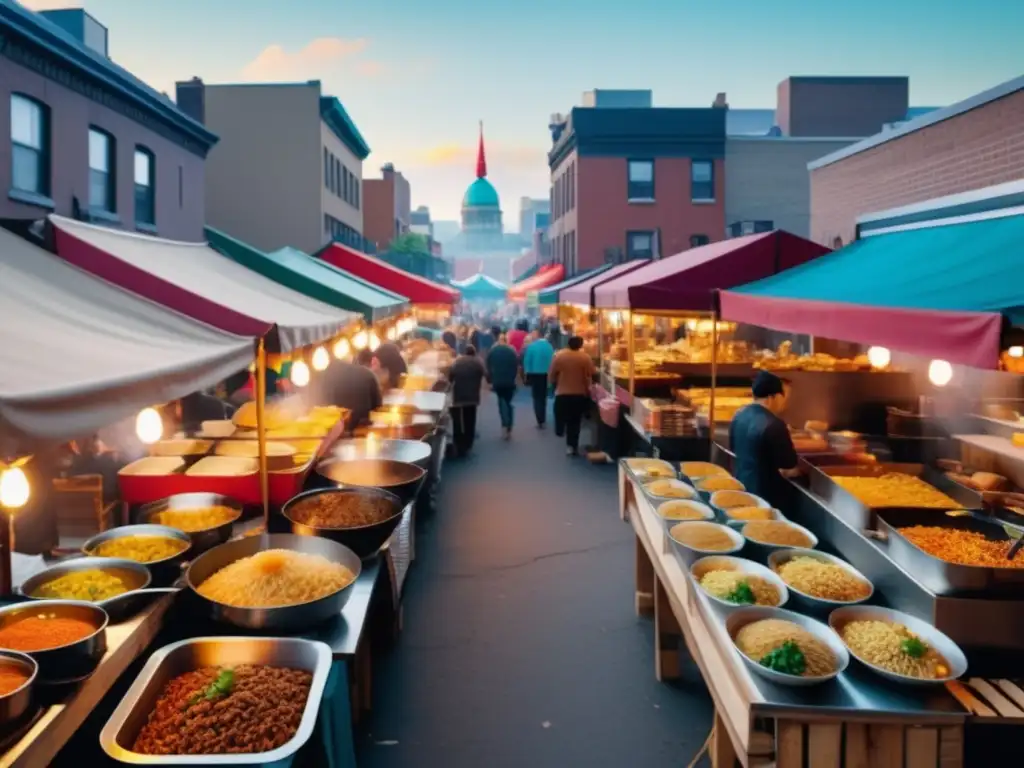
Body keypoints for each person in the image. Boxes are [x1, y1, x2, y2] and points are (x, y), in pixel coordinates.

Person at [728, 371, 801, 506]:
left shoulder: (739, 415)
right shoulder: (774, 424)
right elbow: (788, 468)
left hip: (741, 489)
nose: (784, 403)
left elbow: (733, 448)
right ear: (772, 397)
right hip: (765, 499)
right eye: (782, 396)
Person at [549, 335, 596, 456]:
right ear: (580, 345)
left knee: (559, 414)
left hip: (562, 393)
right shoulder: (585, 357)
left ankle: (560, 429)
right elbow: (592, 372)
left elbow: (551, 375)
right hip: (579, 393)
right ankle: (572, 446)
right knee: (575, 422)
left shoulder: (559, 356)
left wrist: (555, 382)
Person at [318, 348, 382, 428]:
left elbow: (321, 404)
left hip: (334, 430)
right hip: (362, 429)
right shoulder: (367, 374)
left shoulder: (325, 377)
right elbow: (378, 405)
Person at [449, 345, 486, 456]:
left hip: (458, 394)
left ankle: (459, 441)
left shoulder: (457, 362)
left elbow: (450, 377)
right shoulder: (478, 362)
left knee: (458, 419)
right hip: (472, 396)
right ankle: (468, 443)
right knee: (470, 418)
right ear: (474, 353)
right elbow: (486, 374)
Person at [486, 330, 519, 439]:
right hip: (509, 382)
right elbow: (516, 367)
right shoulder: (512, 352)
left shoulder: (493, 351)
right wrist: (514, 379)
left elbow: (488, 367)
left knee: (501, 402)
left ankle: (505, 423)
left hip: (498, 381)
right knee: (509, 402)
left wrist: (490, 381)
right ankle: (509, 424)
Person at [522, 330, 555, 428]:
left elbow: (527, 361)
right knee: (543, 395)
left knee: (536, 397)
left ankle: (539, 419)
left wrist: (526, 373)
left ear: (537, 336)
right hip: (547, 374)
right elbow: (553, 360)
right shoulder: (549, 347)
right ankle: (543, 416)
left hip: (535, 374)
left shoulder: (531, 347)